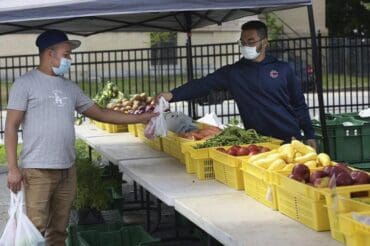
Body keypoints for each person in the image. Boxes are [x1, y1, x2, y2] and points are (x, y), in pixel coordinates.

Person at [5, 29, 157, 245]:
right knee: (34, 231)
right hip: (37, 171)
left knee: (59, 231)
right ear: (50, 53)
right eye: (66, 54)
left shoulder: (70, 87)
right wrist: (12, 169)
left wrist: (143, 118)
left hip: (67, 170)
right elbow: (11, 126)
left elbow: (102, 113)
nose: (70, 59)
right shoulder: (25, 83)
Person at [157, 20, 316, 148]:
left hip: (290, 139)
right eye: (243, 42)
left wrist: (309, 134)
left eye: (251, 41)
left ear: (265, 42)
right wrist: (172, 95)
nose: (246, 46)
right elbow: (203, 84)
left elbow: (299, 104)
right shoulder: (233, 73)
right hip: (258, 143)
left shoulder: (283, 69)